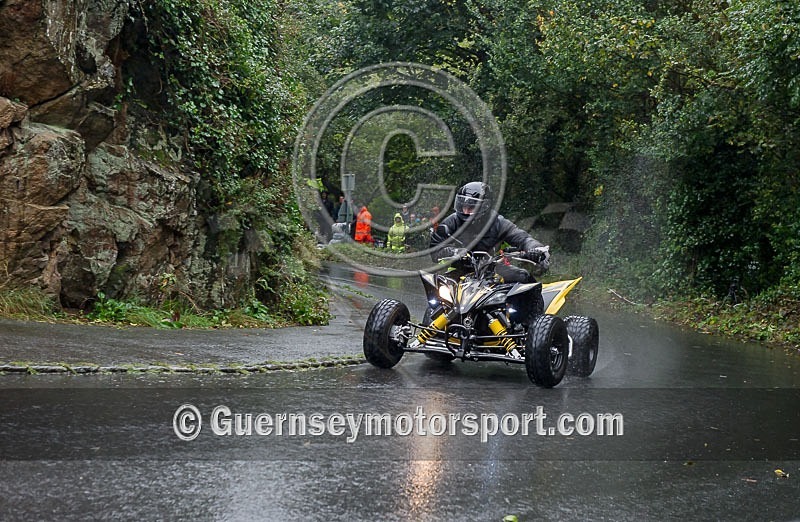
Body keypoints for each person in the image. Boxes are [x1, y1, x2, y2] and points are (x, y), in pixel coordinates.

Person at [429, 181, 550, 284]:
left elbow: (523, 238)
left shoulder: (498, 222)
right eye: (463, 206)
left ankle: (534, 311)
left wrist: (536, 249)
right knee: (438, 292)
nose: (465, 211)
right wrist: (455, 252)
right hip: (458, 271)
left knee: (524, 277)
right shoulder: (450, 222)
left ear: (485, 206)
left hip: (491, 269)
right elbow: (435, 250)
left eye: (471, 207)